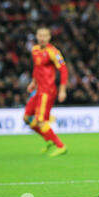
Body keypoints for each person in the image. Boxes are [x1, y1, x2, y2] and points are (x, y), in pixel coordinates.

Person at [23, 27, 68, 157]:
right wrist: (33, 82)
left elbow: (63, 70)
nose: (42, 38)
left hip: (47, 91)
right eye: (40, 35)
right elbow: (37, 68)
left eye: (45, 36)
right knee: (26, 118)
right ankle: (48, 139)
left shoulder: (53, 52)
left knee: (40, 121)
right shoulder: (34, 50)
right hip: (38, 90)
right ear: (37, 37)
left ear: (49, 38)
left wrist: (62, 90)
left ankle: (61, 146)